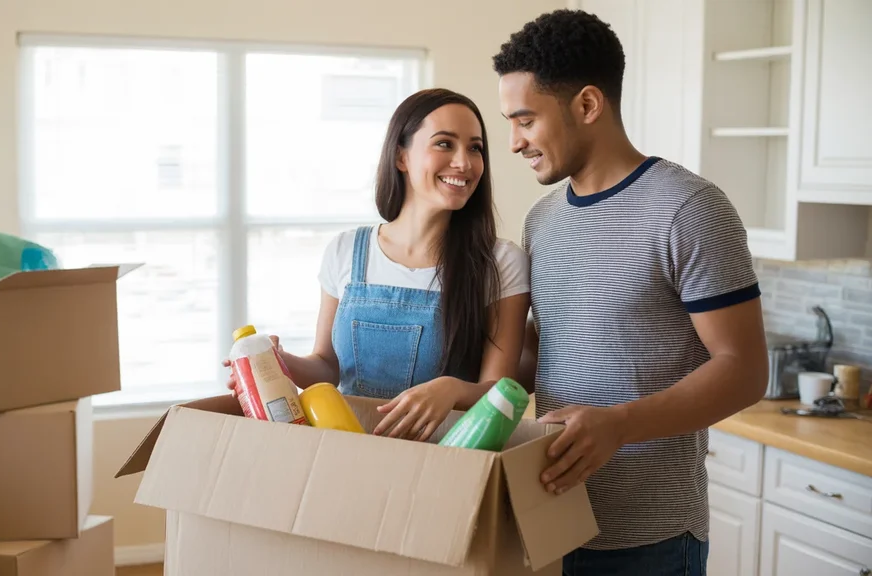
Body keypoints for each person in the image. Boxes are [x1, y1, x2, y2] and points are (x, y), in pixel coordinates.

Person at [493, 9, 769, 576]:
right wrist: (467, 383)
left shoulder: (689, 208)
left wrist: (617, 424)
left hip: (652, 537)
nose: (514, 142)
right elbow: (541, 355)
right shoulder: (541, 221)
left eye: (525, 120)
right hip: (549, 519)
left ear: (588, 106)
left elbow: (743, 369)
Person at [225, 88, 531, 441]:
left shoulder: (500, 262)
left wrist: (452, 390)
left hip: (446, 464)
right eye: (445, 144)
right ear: (401, 156)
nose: (464, 162)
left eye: (475, 148)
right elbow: (326, 367)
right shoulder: (345, 252)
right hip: (348, 452)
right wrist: (276, 363)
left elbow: (499, 392)